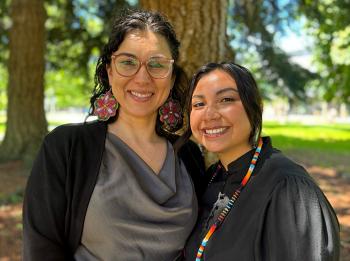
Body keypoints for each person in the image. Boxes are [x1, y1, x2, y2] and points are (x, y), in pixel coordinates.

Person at [23, 9, 206, 261]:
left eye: (156, 64)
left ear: (172, 78)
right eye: (128, 62)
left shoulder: (189, 155)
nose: (142, 78)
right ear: (110, 70)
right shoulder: (67, 147)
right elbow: (41, 249)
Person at [181, 62, 340, 260]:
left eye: (226, 99)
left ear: (255, 106)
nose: (209, 114)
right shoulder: (210, 178)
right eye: (199, 104)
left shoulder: (288, 188)